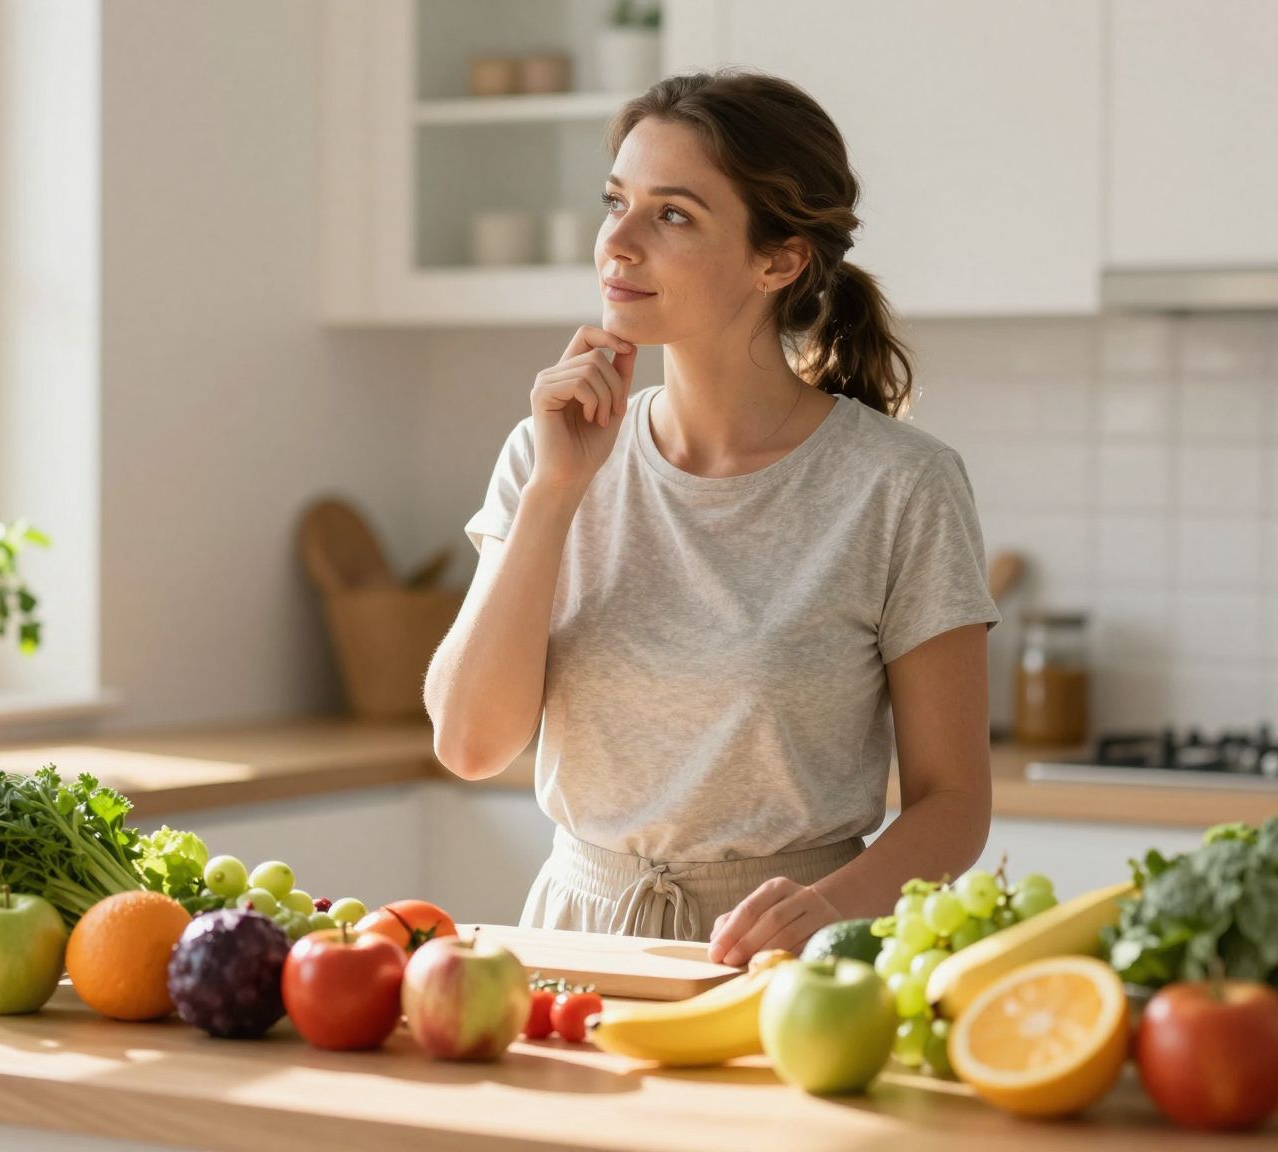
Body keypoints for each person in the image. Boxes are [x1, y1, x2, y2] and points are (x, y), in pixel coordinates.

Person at [424, 69, 999, 967]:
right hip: (573, 953)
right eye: (616, 202)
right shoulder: (547, 453)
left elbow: (954, 801)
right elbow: (468, 743)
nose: (617, 242)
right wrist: (555, 494)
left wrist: (822, 910)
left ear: (779, 260)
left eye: (673, 215)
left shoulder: (901, 486)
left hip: (793, 959)